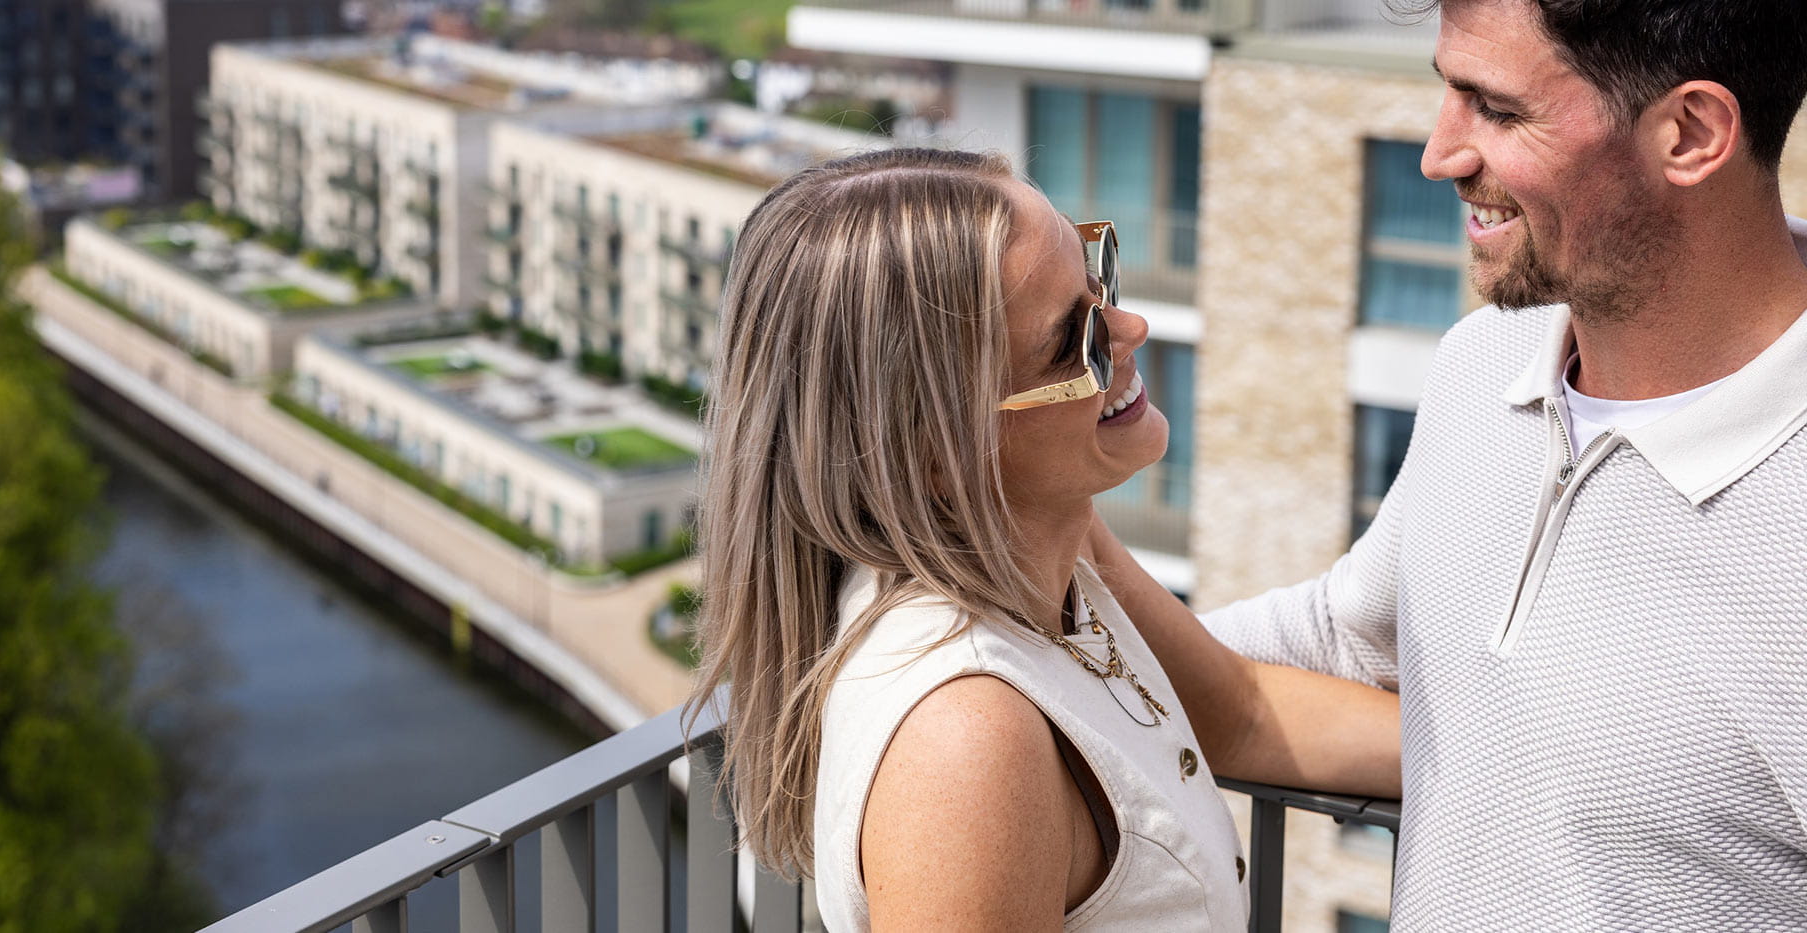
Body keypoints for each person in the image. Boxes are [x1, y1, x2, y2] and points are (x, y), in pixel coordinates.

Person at [1096, 0, 1807, 927]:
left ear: (1691, 132)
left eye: (1498, 111)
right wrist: (1016, 642)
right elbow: (1348, 637)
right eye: (1446, 91)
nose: (1440, 153)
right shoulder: (1480, 367)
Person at [687, 148, 1400, 932]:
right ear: (934, 449)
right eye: (1073, 341)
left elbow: (1241, 715)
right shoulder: (965, 744)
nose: (1131, 328)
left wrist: (1526, 758)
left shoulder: (1050, 547)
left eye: (1101, 280)